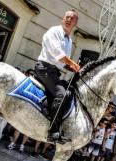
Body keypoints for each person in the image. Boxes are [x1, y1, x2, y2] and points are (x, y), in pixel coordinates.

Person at [34, 9, 80, 143]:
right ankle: (53, 131)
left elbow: (62, 63)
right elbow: (57, 54)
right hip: (44, 68)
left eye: (72, 18)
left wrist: (75, 69)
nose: (68, 19)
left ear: (75, 23)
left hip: (54, 71)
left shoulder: (69, 41)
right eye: (67, 17)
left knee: (68, 93)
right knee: (62, 94)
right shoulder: (54, 31)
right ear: (62, 18)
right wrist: (72, 63)